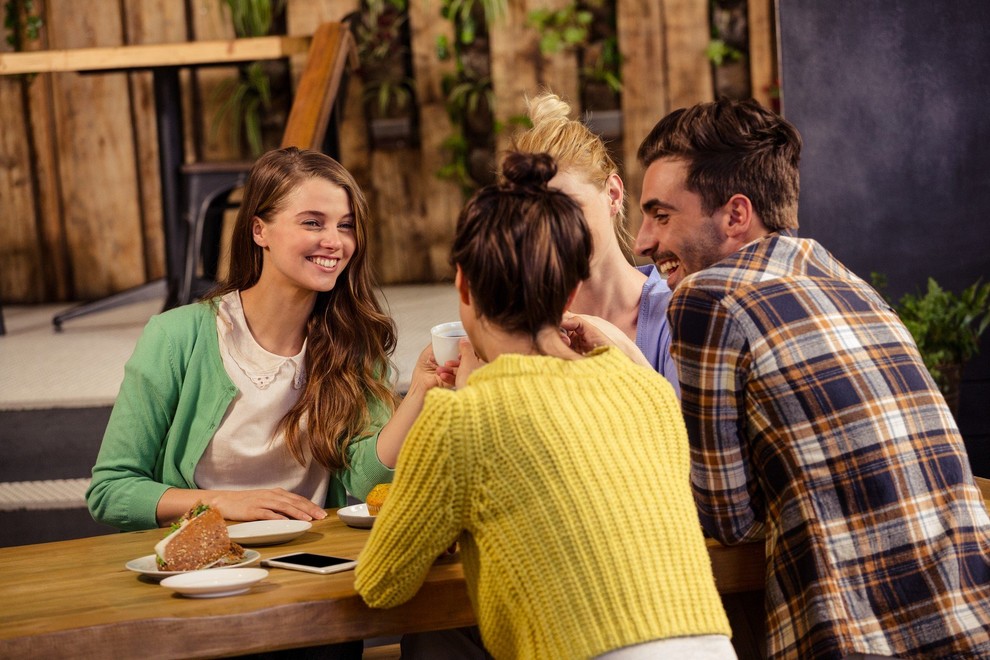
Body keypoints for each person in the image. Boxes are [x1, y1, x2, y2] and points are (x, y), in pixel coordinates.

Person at [633, 97, 990, 659]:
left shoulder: (709, 297)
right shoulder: (845, 280)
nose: (642, 242)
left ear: (735, 215)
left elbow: (723, 517)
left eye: (660, 215)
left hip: (858, 643)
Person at [355, 152, 734, 659]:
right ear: (572, 290)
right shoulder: (643, 389)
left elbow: (382, 583)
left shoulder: (461, 416)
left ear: (463, 284)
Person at [86, 147, 444, 533]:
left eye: (345, 225)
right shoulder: (176, 337)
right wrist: (224, 504)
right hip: (201, 565)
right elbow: (110, 491)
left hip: (307, 557)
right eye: (312, 223)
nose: (335, 242)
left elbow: (368, 482)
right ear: (260, 230)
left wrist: (421, 391)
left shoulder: (352, 340)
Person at [510, 91, 678, 392]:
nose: (548, 229)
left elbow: (689, 437)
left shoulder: (675, 313)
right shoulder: (519, 325)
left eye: (564, 206)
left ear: (613, 194)